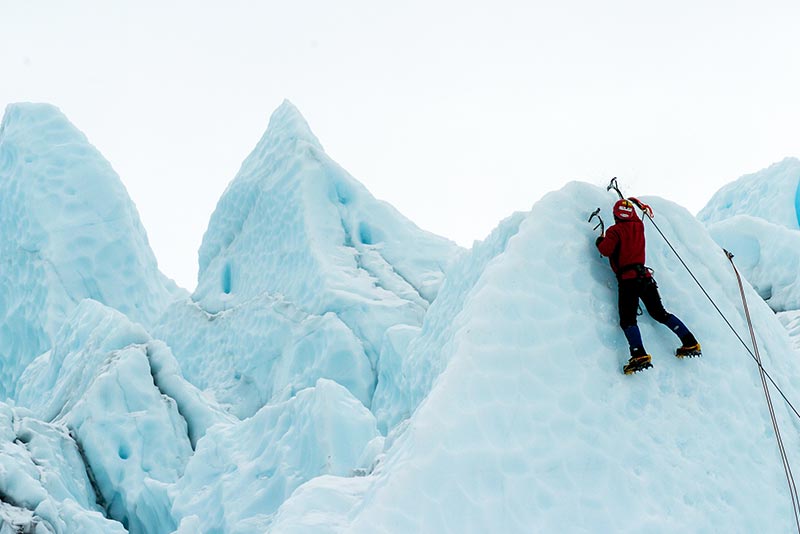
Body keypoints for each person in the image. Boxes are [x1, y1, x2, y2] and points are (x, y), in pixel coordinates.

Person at [596, 198, 701, 374]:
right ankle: (689, 341)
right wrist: (632, 202)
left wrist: (600, 240)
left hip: (628, 281)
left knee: (628, 319)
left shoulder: (614, 231)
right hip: (645, 278)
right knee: (660, 313)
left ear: (616, 216)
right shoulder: (639, 226)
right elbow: (635, 217)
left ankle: (639, 354)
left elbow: (606, 250)